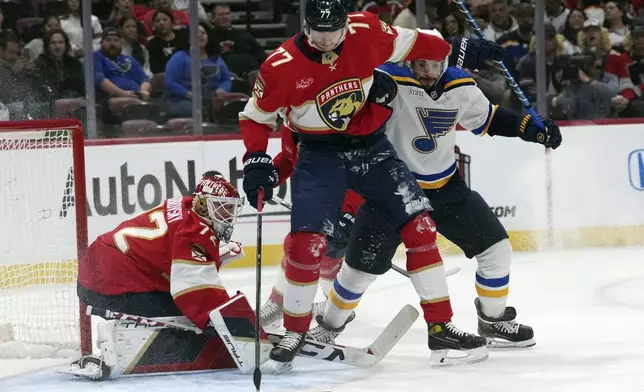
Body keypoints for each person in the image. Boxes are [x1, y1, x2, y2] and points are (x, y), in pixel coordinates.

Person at [239, 0, 506, 372]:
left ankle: (441, 327)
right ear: (306, 26)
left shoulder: (366, 30)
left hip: (372, 148)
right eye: (319, 31)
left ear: (345, 23)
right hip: (320, 154)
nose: (327, 38)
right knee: (307, 242)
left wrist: (461, 48)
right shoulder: (281, 66)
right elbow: (256, 118)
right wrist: (255, 158)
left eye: (334, 29)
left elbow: (421, 44)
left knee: (421, 226)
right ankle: (294, 330)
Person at [311, 54, 562, 363]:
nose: (427, 73)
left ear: (445, 63)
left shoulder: (460, 84)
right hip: (391, 191)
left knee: (496, 249)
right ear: (408, 62)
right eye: (420, 65)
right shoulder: (388, 78)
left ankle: (493, 320)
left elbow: (489, 119)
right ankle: (328, 326)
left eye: (433, 65)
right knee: (357, 272)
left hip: (446, 189)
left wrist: (530, 128)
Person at [71, 176, 253, 379]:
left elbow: (170, 248)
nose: (228, 215)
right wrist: (228, 323)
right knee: (185, 318)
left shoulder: (186, 206)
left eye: (231, 209)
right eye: (222, 208)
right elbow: (194, 293)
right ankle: (120, 345)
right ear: (203, 204)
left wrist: (212, 254)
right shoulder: (195, 231)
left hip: (102, 270)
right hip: (109, 284)